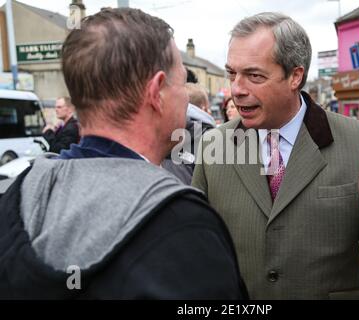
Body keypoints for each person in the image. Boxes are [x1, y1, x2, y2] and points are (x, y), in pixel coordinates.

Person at [0, 8, 247, 299]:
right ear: (156, 92)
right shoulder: (182, 222)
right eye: (182, 83)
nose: (185, 96)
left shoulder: (20, 196)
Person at [192, 12, 359, 299]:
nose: (236, 89)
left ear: (295, 76)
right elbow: (193, 245)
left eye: (254, 75)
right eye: (231, 74)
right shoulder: (213, 145)